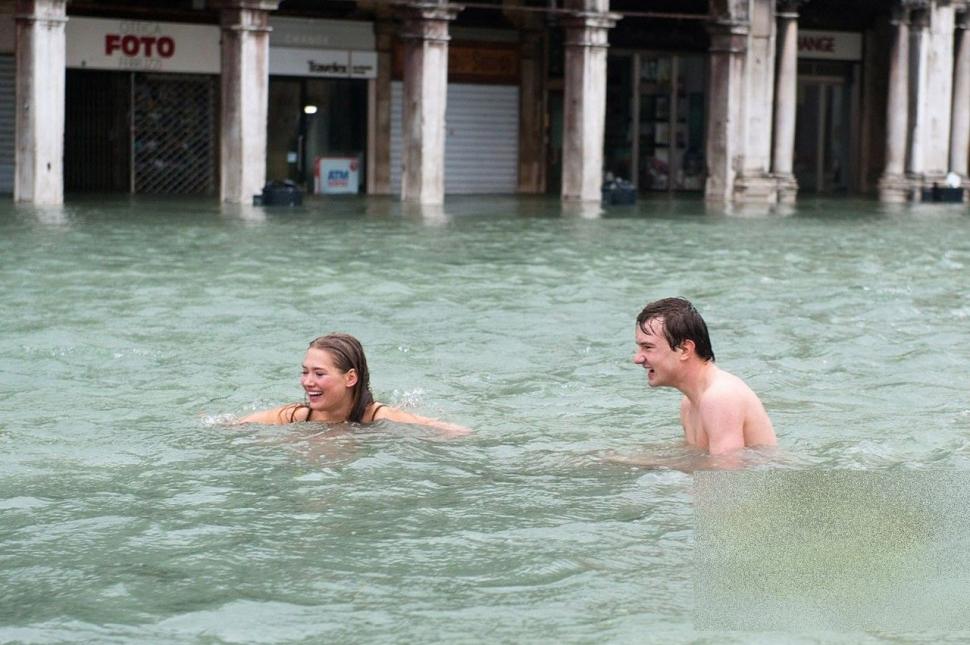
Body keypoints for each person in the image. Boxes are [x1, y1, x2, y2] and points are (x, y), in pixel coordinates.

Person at [239, 333, 470, 436]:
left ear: (350, 377)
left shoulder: (379, 417)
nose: (308, 382)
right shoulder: (294, 416)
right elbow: (233, 427)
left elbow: (452, 431)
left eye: (319, 374)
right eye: (305, 372)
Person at [632, 297, 776, 456]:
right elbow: (699, 461)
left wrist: (644, 464)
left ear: (685, 350)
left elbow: (727, 476)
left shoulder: (720, 397)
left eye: (648, 347)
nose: (637, 359)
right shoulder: (689, 403)